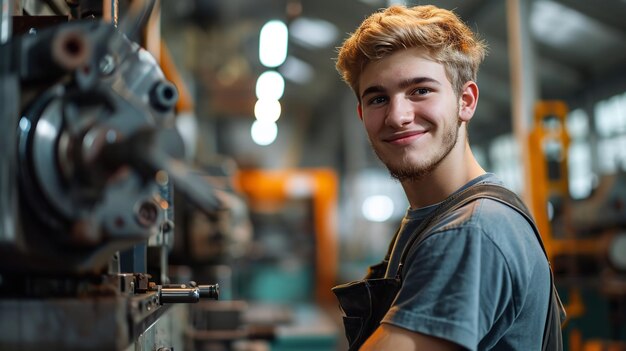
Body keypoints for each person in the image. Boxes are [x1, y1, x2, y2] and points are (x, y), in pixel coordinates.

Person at [333, 4, 553, 350]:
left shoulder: (472, 230)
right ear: (362, 114)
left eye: (420, 90)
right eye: (378, 98)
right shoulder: (429, 219)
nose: (398, 116)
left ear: (465, 101)